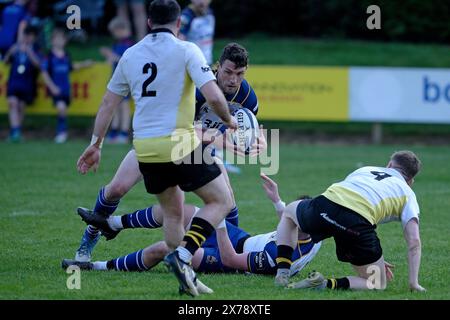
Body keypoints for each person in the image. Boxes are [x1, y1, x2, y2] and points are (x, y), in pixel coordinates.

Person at [76, 0, 237, 297]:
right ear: (178, 25)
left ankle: (185, 276)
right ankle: (184, 255)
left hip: (146, 150)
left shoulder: (130, 54)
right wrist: (229, 120)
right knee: (222, 201)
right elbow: (213, 95)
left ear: (149, 23)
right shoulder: (188, 49)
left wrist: (95, 145)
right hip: (180, 144)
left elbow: (108, 103)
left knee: (173, 214)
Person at [73, 42, 261, 263]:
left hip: (199, 152)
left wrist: (253, 144)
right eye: (228, 72)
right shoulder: (197, 87)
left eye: (240, 74)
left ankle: (225, 255)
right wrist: (225, 141)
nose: (233, 79)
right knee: (117, 188)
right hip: (163, 143)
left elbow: (250, 129)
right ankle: (90, 237)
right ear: (217, 67)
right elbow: (183, 131)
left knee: (227, 201)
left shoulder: (248, 98)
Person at [64, 174, 321, 276]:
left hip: (228, 258)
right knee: (182, 211)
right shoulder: (313, 230)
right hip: (241, 237)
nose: (287, 217)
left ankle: (95, 266)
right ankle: (113, 223)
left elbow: (231, 259)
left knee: (166, 248)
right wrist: (278, 201)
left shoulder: (277, 257)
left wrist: (218, 223)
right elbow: (291, 227)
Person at [274, 150, 425, 292]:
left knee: (289, 213)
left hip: (326, 204)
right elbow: (414, 242)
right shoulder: (408, 194)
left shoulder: (366, 169)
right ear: (410, 181)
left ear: (390, 165)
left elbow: (347, 201)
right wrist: (413, 282)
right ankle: (324, 284)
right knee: (377, 282)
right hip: (355, 224)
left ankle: (282, 272)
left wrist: (374, 259)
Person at [41, 28, 93, 143]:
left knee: (63, 109)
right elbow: (44, 72)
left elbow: (71, 67)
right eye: (57, 38)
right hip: (56, 88)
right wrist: (52, 87)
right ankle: (61, 132)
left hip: (66, 88)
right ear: (52, 41)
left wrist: (85, 64)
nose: (60, 41)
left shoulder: (66, 55)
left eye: (62, 38)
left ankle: (62, 132)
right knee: (61, 108)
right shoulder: (49, 56)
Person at [100, 17, 135, 144]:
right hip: (117, 79)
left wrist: (110, 55)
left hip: (126, 79)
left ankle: (124, 132)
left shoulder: (130, 45)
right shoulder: (117, 44)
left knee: (124, 106)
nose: (113, 34)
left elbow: (125, 60)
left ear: (120, 30)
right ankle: (115, 131)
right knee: (115, 106)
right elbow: (112, 61)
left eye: (114, 31)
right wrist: (109, 56)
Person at [4, 24, 40, 142]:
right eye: (26, 35)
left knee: (21, 106)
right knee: (12, 103)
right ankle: (15, 131)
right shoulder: (16, 48)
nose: (28, 38)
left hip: (27, 83)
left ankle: (16, 132)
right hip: (14, 81)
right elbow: (5, 62)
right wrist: (10, 52)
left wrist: (29, 53)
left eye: (31, 36)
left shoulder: (36, 48)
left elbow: (39, 65)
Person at [179, 0, 214, 65]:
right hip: (192, 64)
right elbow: (180, 41)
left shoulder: (209, 13)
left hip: (208, 61)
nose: (202, 1)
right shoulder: (186, 16)